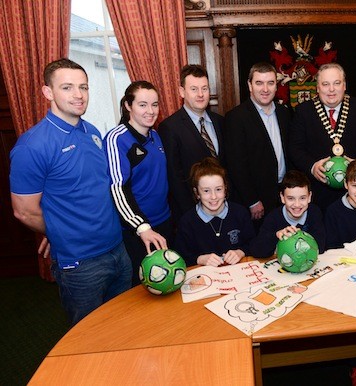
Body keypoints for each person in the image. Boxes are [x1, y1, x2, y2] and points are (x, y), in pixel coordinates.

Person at [9, 58, 131, 325]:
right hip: (81, 264)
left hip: (117, 250)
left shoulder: (93, 132)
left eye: (83, 87)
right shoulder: (32, 146)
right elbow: (24, 212)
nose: (78, 95)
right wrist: (57, 230)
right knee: (88, 337)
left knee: (123, 326)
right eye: (67, 87)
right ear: (48, 92)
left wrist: (56, 225)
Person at [104, 81, 171, 286]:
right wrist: (142, 227)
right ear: (128, 105)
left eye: (155, 104)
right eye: (143, 105)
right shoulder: (117, 139)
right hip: (137, 230)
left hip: (164, 221)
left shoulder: (155, 136)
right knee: (141, 290)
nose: (150, 111)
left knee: (166, 283)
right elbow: (117, 188)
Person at [289, 62, 356, 212]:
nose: (331, 90)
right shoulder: (303, 111)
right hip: (318, 192)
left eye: (337, 83)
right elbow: (294, 148)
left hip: (355, 191)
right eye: (325, 84)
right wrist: (312, 166)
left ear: (344, 85)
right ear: (317, 87)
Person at [224, 62, 292, 227]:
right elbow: (236, 165)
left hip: (284, 196)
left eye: (270, 83)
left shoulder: (285, 113)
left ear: (277, 86)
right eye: (259, 83)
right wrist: (252, 200)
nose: (265, 89)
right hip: (257, 202)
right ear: (250, 85)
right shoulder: (236, 118)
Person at [159, 65, 225, 224]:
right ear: (182, 92)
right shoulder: (169, 127)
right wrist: (192, 214)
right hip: (192, 213)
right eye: (194, 89)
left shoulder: (220, 121)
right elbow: (174, 176)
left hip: (223, 208)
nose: (201, 94)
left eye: (205, 88)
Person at [174, 157, 255, 267]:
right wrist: (199, 259)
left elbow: (254, 243)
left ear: (225, 189)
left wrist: (241, 252)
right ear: (197, 193)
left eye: (218, 189)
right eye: (206, 191)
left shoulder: (240, 213)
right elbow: (179, 256)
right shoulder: (187, 222)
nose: (213, 197)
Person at [250, 170, 326, 258]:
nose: (297, 204)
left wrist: (299, 236)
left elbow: (320, 247)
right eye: (291, 198)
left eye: (302, 198)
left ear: (309, 197)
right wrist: (276, 236)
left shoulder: (314, 212)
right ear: (282, 198)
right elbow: (256, 250)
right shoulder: (273, 217)